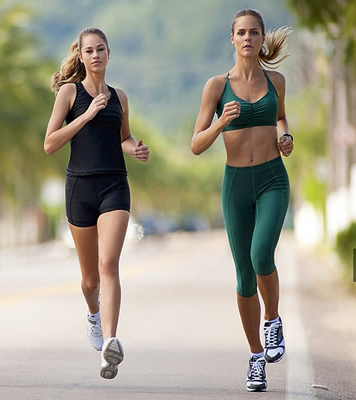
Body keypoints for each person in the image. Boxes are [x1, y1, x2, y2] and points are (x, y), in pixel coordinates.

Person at [191, 8, 292, 392]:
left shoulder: (277, 81)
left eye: (254, 32)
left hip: (272, 180)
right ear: (231, 39)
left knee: (261, 254)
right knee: (244, 276)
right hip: (235, 184)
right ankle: (255, 359)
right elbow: (196, 145)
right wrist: (219, 122)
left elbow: (282, 119)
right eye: (241, 33)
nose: (248, 38)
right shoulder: (217, 86)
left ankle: (273, 321)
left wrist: (286, 137)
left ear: (262, 38)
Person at [44, 27, 150, 379]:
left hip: (114, 186)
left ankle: (110, 344)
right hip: (79, 189)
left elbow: (123, 137)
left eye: (100, 49)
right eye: (88, 51)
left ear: (108, 54)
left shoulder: (120, 97)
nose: (95, 56)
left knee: (109, 265)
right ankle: (93, 314)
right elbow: (50, 143)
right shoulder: (69, 93)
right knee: (90, 281)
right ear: (81, 56)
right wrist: (86, 115)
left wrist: (135, 147)